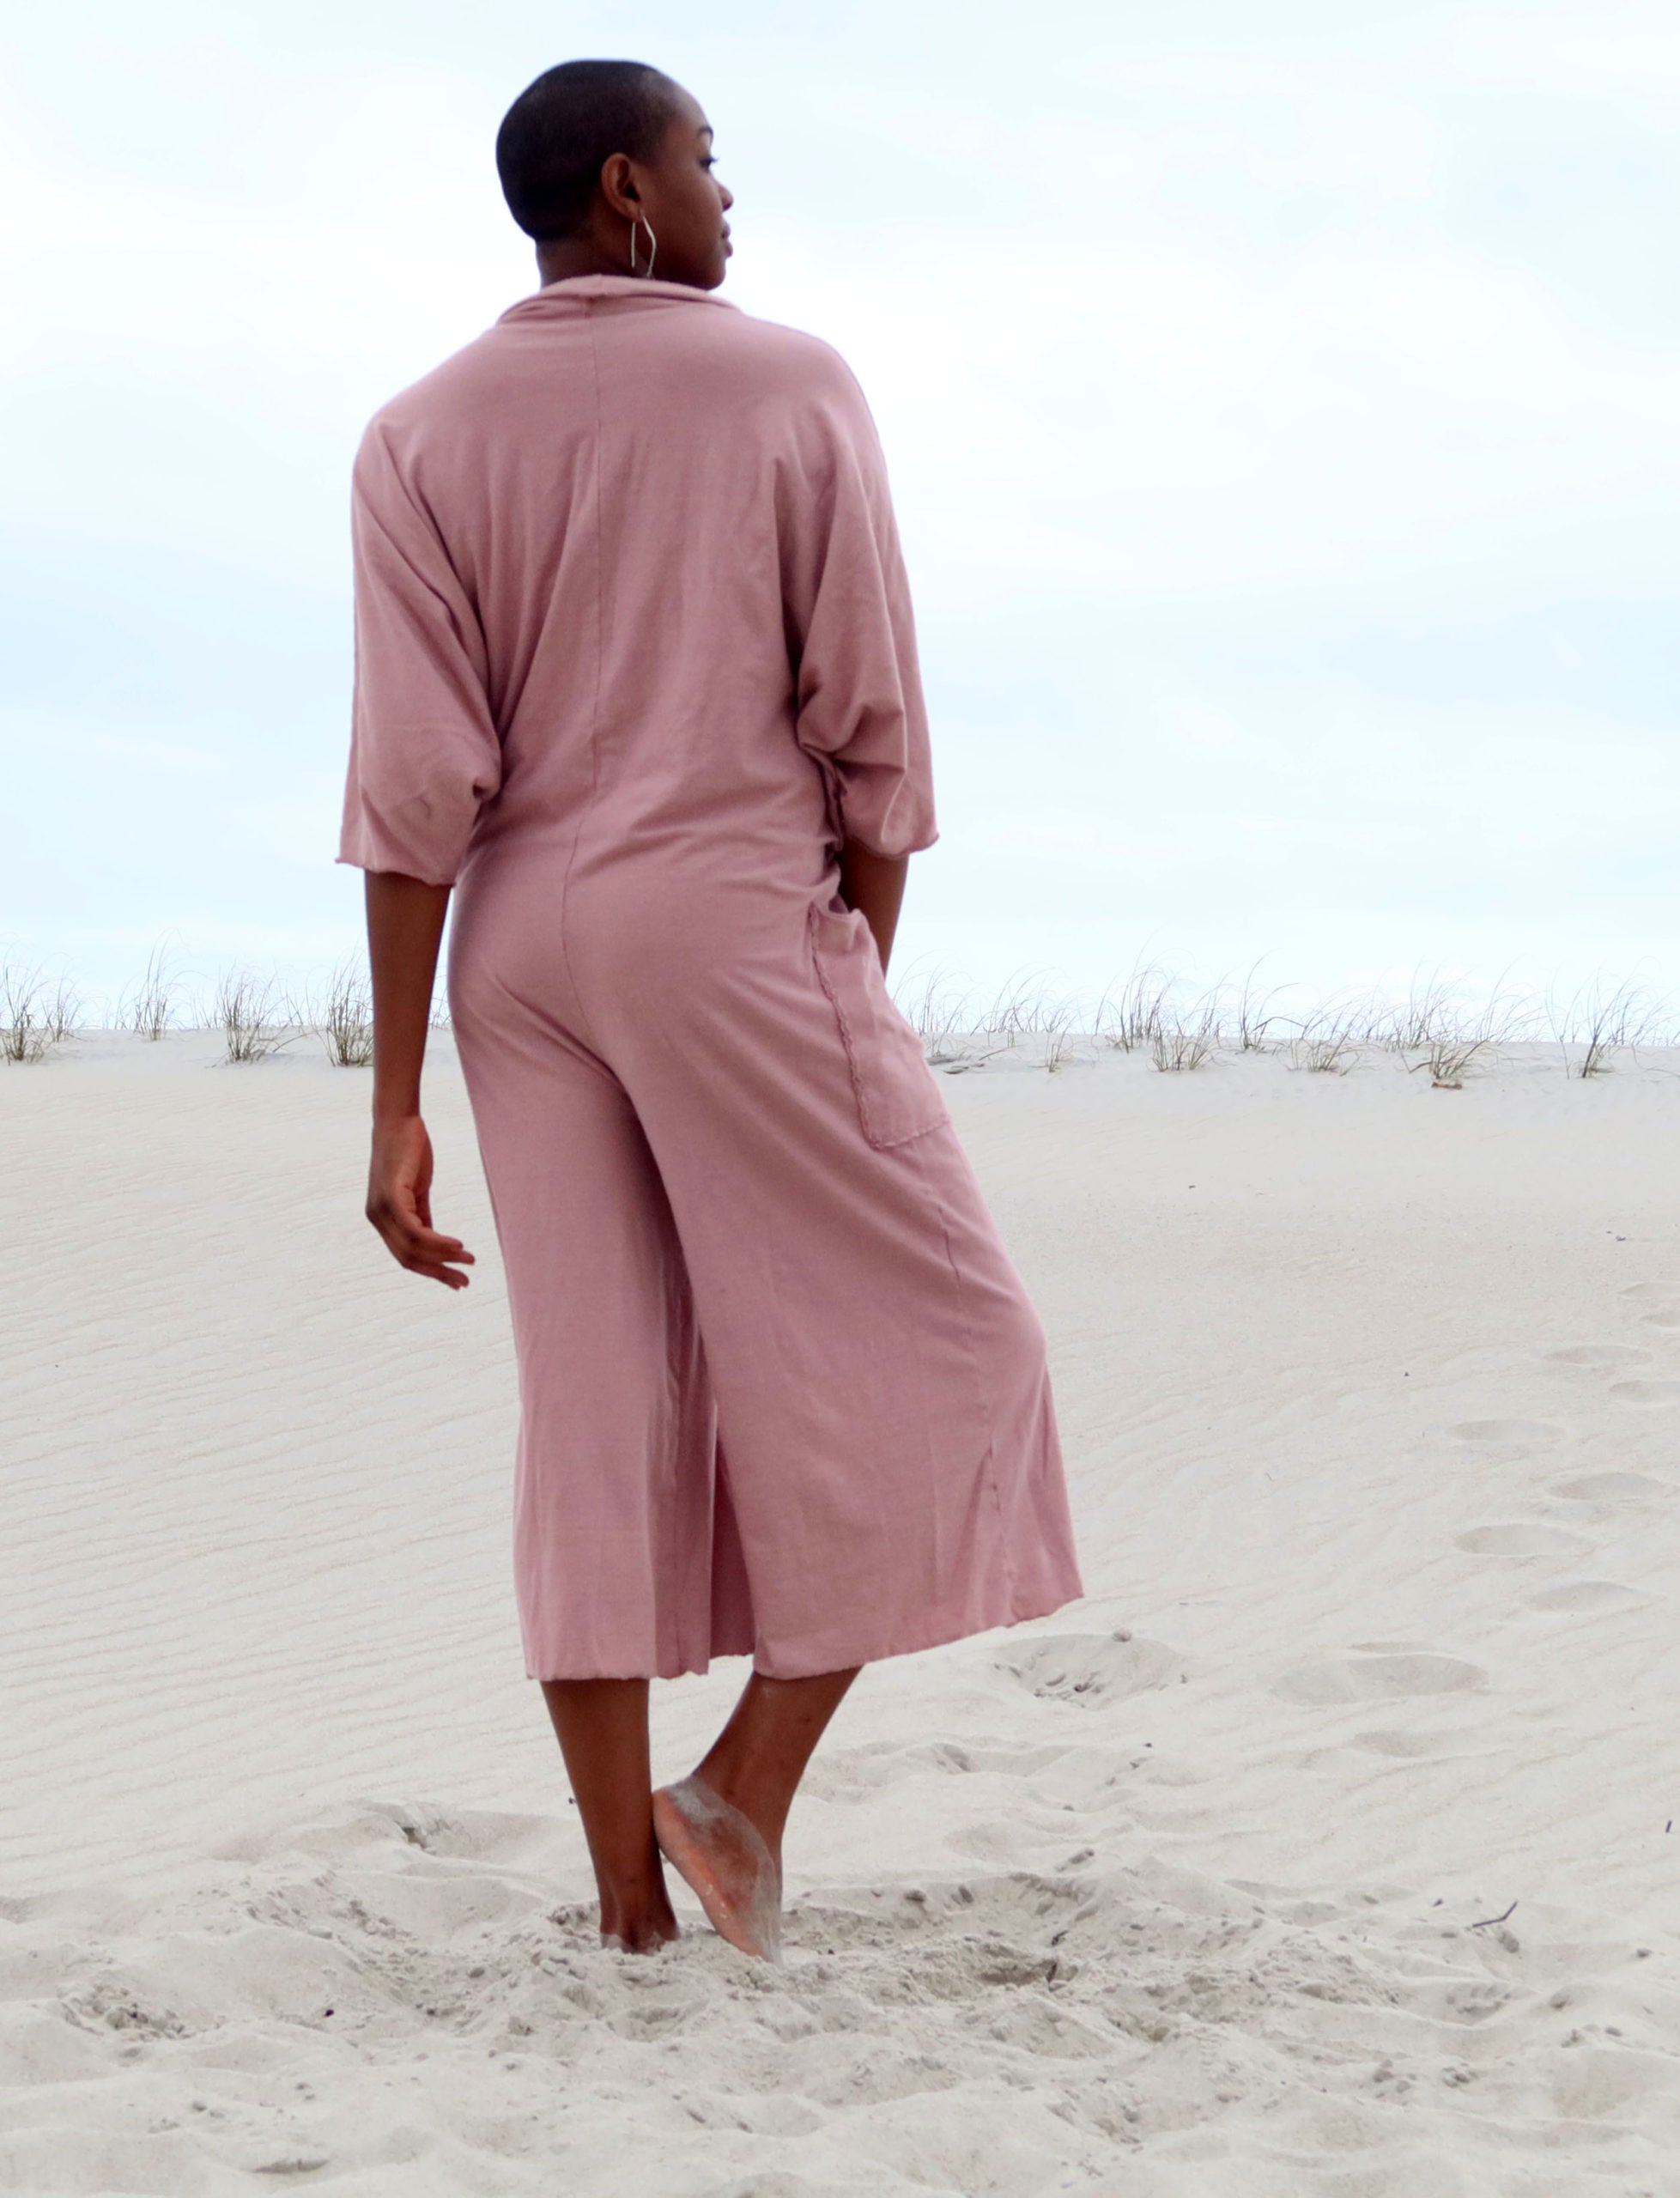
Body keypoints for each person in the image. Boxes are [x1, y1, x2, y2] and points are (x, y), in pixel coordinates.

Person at [337, 58, 1084, 1964]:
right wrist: (847, 991)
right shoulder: (785, 385)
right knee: (968, 1346)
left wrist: (395, 1097)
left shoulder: (414, 435)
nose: (726, 198)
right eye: (705, 160)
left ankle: (627, 1911)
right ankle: (738, 1790)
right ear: (625, 187)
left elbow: (415, 787)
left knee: (591, 1413)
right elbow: (870, 729)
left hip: (516, 957)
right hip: (730, 919)